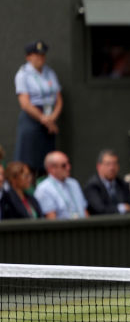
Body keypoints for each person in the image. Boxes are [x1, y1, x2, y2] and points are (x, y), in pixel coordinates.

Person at [14, 41, 63, 178]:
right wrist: (45, 120)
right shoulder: (23, 74)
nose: (40, 58)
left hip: (49, 118)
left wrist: (52, 118)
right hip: (32, 119)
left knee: (47, 160)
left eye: (42, 55)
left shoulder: (49, 72)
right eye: (36, 55)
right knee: (29, 162)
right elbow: (25, 103)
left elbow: (58, 99)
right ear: (28, 57)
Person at [34, 150, 88, 220]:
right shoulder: (44, 189)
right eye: (64, 165)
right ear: (52, 169)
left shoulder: (74, 183)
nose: (68, 168)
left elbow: (85, 211)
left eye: (68, 163)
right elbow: (51, 220)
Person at [84, 150, 130, 215]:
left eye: (114, 164)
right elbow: (100, 210)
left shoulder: (122, 184)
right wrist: (122, 208)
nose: (112, 168)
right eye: (108, 164)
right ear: (99, 167)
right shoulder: (92, 186)